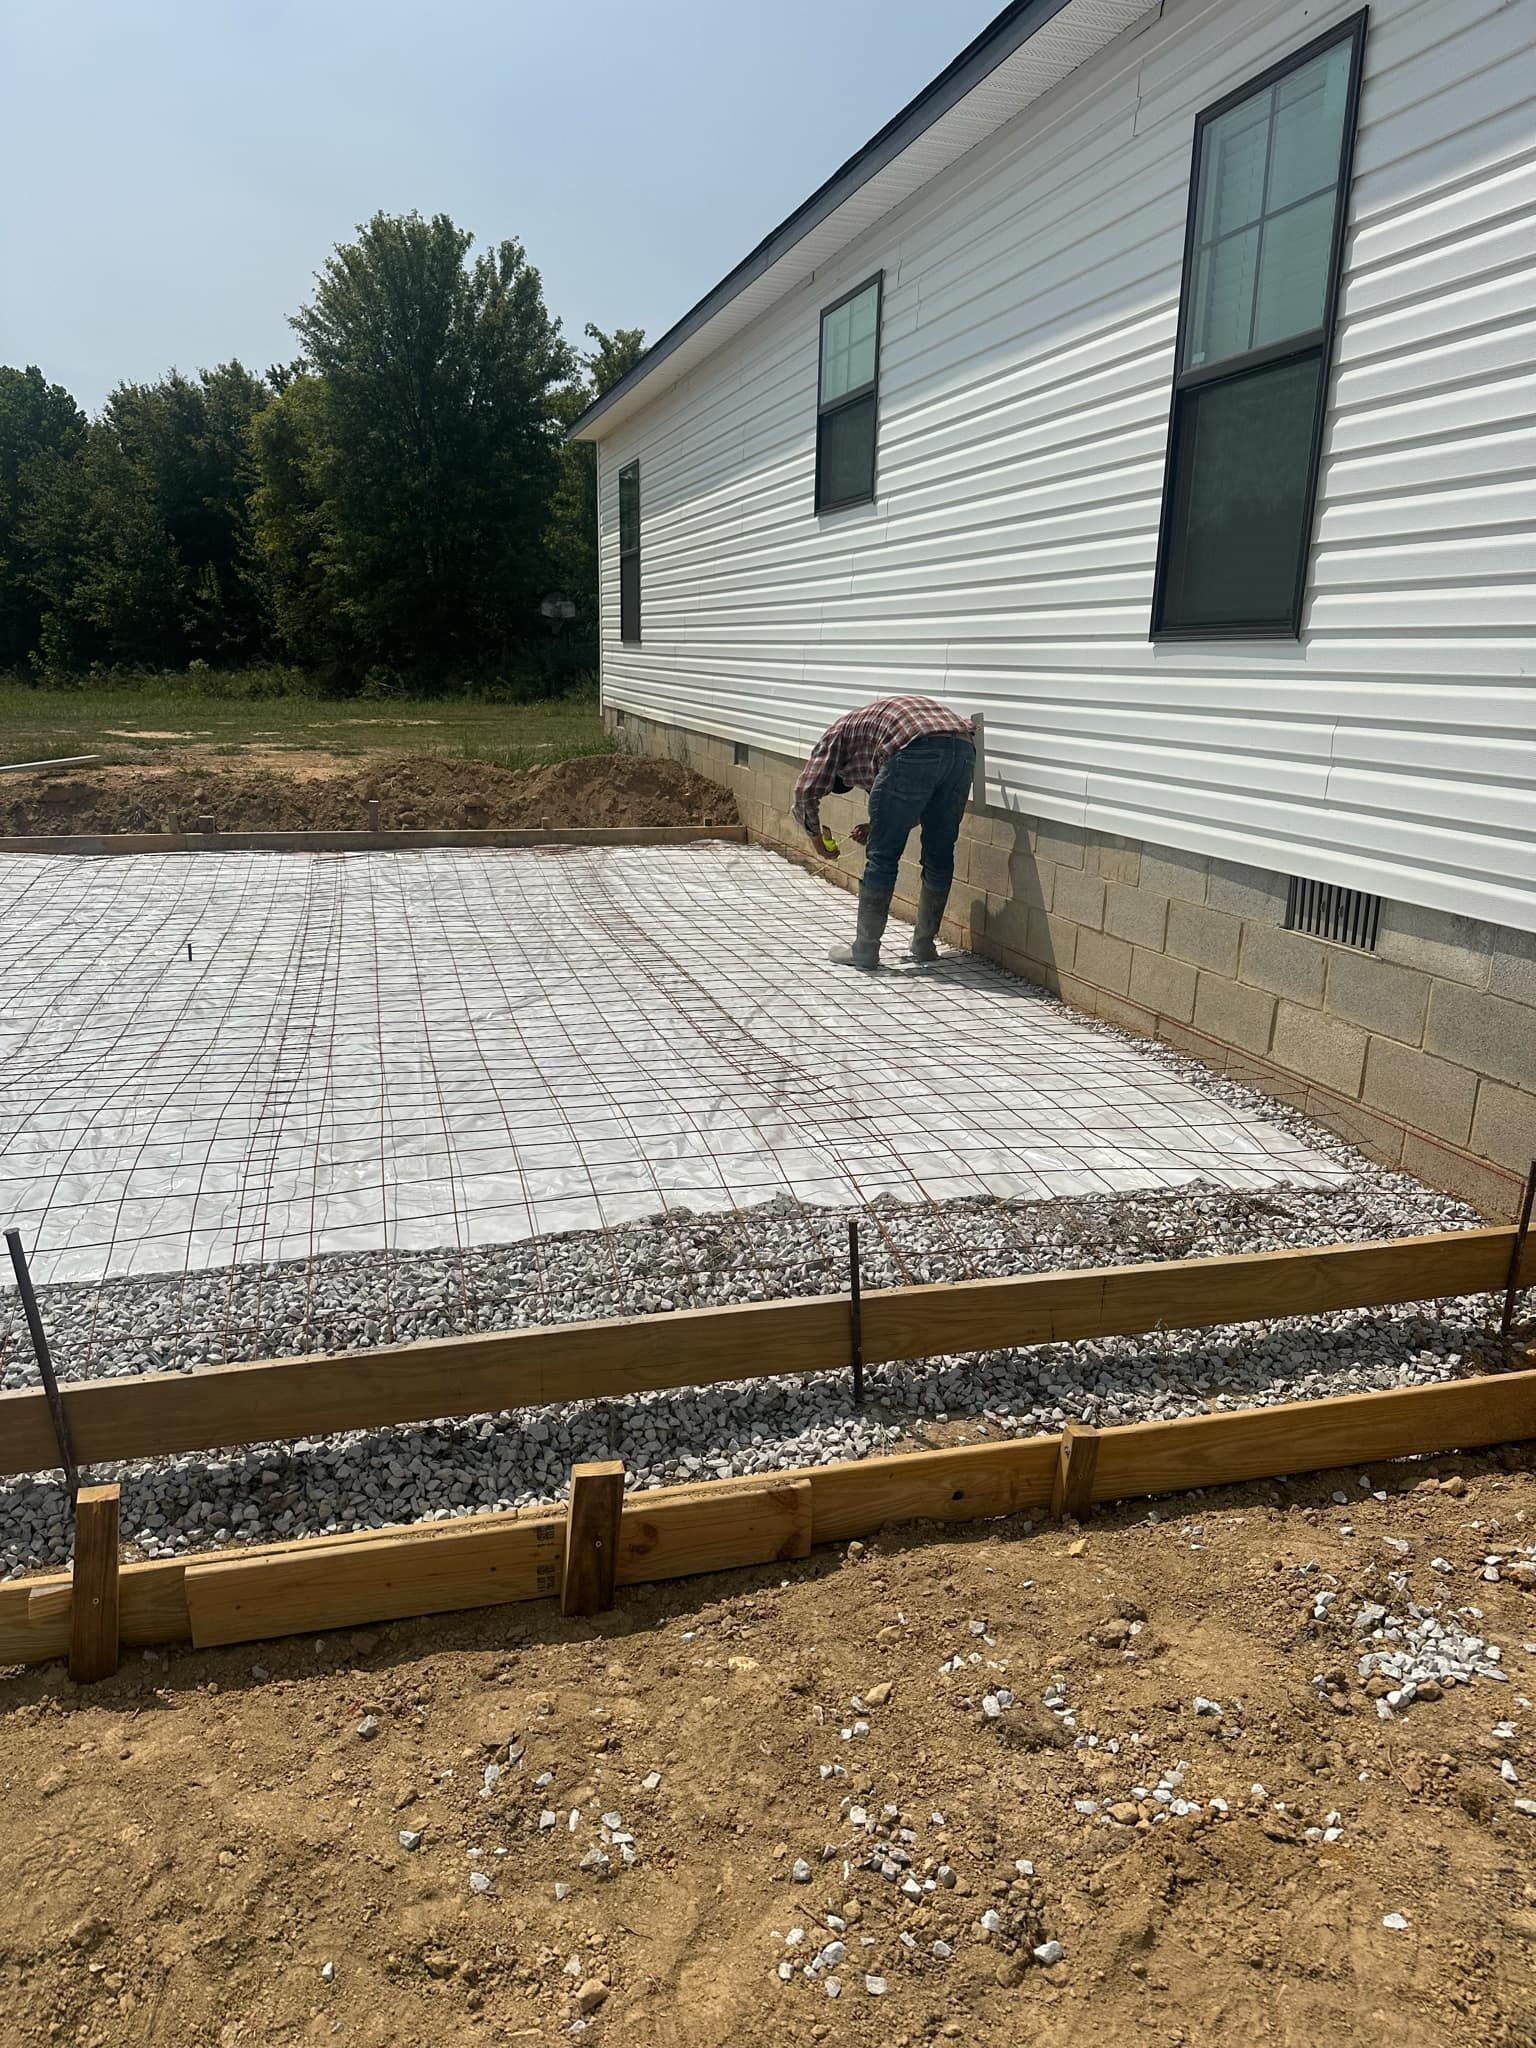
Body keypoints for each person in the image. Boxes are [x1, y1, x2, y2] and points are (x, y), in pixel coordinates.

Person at [792, 694, 976, 971]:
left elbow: (805, 792)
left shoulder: (837, 734)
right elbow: (913, 803)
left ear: (843, 771)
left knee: (882, 857)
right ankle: (924, 945)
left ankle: (865, 951)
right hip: (963, 749)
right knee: (940, 853)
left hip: (914, 746)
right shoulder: (871, 734)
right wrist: (876, 825)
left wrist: (817, 840)